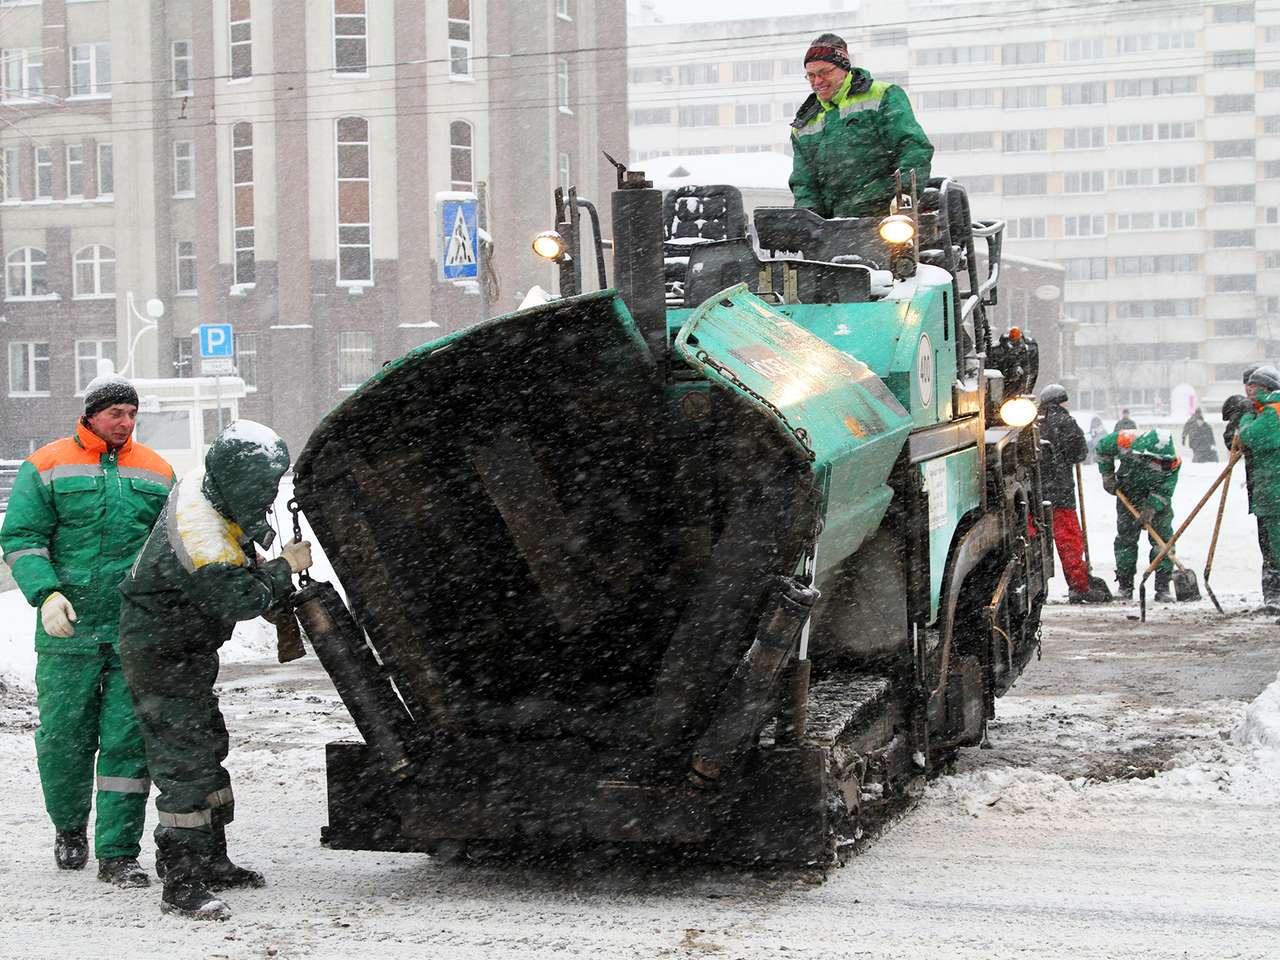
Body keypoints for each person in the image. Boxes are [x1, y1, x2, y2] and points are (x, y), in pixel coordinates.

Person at [118, 421, 313, 920]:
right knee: (184, 759)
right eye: (264, 488)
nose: (270, 495)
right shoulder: (200, 537)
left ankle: (212, 859)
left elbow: (238, 522)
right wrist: (283, 568)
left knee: (207, 743)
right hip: (161, 652)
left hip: (182, 646)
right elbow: (240, 596)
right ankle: (181, 882)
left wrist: (262, 536)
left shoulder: (208, 485)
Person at [0, 375, 174, 887]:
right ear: (92, 414)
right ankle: (70, 827)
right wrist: (44, 592)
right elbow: (22, 537)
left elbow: (169, 544)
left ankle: (118, 852)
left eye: (132, 414)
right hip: (66, 628)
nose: (125, 423)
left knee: (126, 742)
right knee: (64, 740)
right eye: (116, 413)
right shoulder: (48, 464)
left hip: (131, 629)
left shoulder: (157, 471)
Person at [789, 33, 934, 220]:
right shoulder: (804, 124)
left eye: (825, 72)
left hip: (886, 219)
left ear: (844, 68)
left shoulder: (884, 96)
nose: (817, 82)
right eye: (811, 75)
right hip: (832, 227)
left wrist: (902, 198)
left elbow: (913, 148)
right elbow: (804, 183)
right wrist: (808, 220)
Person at [1036, 384, 1109, 603]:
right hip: (1060, 493)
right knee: (1069, 542)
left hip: (1034, 495)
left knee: (1035, 543)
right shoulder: (1066, 422)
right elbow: (1080, 452)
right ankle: (1079, 586)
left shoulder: (1033, 422)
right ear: (1061, 401)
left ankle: (1034, 590)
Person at [1095, 426, 1180, 601]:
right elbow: (1102, 448)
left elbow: (1165, 490)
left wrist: (1151, 508)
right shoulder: (1126, 440)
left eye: (1162, 462)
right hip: (1128, 493)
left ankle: (1163, 587)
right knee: (1126, 540)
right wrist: (1107, 475)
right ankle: (1125, 586)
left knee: (1162, 541)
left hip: (1156, 499)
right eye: (1155, 460)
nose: (1159, 465)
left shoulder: (1173, 462)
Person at [1228, 366, 1280, 611]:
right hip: (1264, 489)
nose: (1249, 390)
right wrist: (1239, 420)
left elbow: (1251, 437)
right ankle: (1272, 595)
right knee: (1270, 546)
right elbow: (1235, 441)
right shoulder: (1261, 410)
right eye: (1246, 385)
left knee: (1274, 547)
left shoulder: (1271, 412)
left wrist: (1246, 421)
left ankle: (1274, 595)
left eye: (1253, 386)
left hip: (1273, 491)